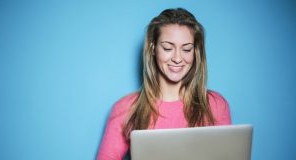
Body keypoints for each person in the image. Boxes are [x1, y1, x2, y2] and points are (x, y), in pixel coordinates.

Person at [97, 8, 231, 160]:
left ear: (195, 52)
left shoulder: (215, 105)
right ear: (153, 48)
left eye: (186, 49)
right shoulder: (126, 109)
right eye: (168, 48)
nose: (177, 58)